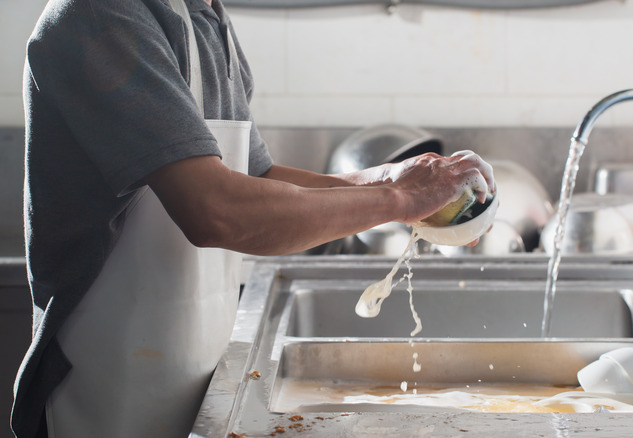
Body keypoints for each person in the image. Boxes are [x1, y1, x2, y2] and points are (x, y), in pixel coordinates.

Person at [12, 0, 495, 437]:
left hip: (195, 376)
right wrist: (400, 200)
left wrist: (394, 178)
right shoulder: (103, 15)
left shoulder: (205, 17)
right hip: (108, 391)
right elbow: (216, 211)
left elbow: (258, 178)